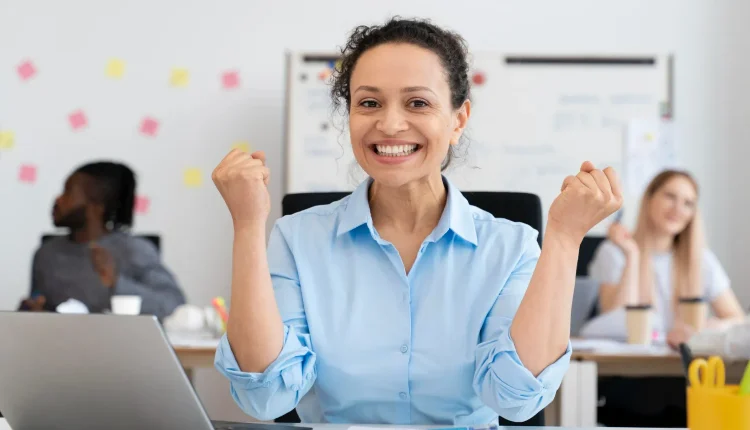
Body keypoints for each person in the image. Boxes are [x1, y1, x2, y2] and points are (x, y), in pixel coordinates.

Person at [212, 18, 622, 425]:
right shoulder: (297, 238)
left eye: (418, 103)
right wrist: (248, 225)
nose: (390, 124)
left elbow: (516, 399)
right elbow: (263, 397)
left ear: (458, 120)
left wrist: (566, 239)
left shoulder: (511, 247)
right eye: (369, 103)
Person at [588, 169, 745, 428]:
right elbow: (612, 314)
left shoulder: (702, 260)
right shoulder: (614, 252)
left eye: (688, 203)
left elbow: (736, 318)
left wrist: (704, 329)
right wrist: (632, 255)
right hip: (628, 378)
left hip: (684, 376)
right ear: (649, 199)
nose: (678, 208)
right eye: (670, 196)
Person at [20, 161, 185, 321]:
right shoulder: (46, 254)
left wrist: (116, 281)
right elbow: (38, 307)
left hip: (121, 346)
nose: (58, 200)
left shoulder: (133, 250)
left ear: (96, 207)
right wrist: (29, 311)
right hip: (63, 345)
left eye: (68, 192)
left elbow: (174, 306)